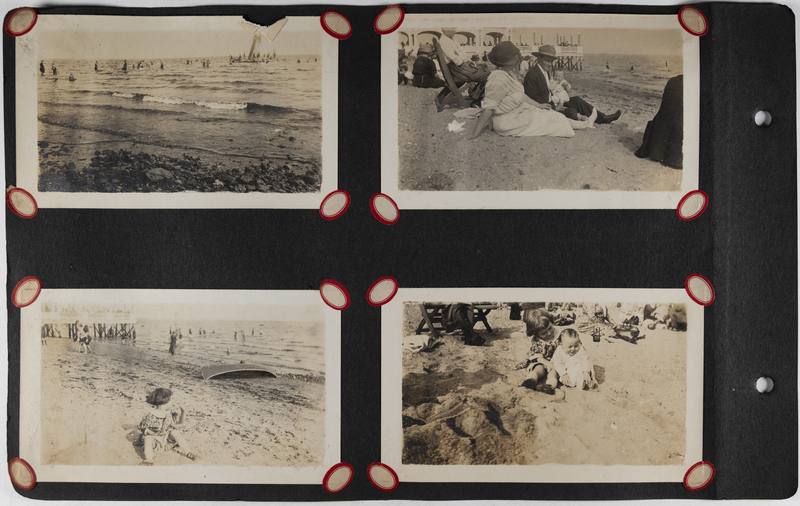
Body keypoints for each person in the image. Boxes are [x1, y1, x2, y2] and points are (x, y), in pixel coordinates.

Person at [467, 41, 595, 140]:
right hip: (508, 122)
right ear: (511, 60)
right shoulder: (498, 79)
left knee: (552, 115)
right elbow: (488, 108)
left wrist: (538, 105)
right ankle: (585, 125)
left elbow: (521, 96)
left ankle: (585, 124)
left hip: (517, 114)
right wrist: (475, 133)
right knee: (555, 119)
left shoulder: (509, 73)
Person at [523, 45, 621, 124]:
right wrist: (554, 107)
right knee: (572, 112)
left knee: (577, 100)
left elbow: (550, 91)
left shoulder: (545, 72)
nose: (550, 64)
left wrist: (559, 99)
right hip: (546, 108)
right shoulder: (532, 74)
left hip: (554, 102)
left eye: (551, 61)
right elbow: (533, 98)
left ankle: (603, 118)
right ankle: (577, 117)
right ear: (539, 58)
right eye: (547, 61)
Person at [435, 27, 491, 110]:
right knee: (488, 75)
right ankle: (477, 101)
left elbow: (461, 55)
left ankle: (475, 96)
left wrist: (461, 56)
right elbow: (457, 61)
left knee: (484, 69)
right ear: (444, 30)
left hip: (459, 68)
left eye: (454, 28)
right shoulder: (444, 42)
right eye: (451, 29)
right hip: (457, 70)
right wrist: (462, 56)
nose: (455, 31)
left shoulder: (451, 39)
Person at [137, 387, 195, 465]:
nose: (172, 402)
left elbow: (180, 422)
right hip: (155, 442)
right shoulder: (151, 415)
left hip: (166, 439)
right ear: (165, 401)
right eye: (171, 400)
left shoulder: (169, 413)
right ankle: (149, 459)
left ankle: (188, 452)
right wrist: (151, 434)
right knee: (147, 438)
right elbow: (143, 428)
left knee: (175, 432)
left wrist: (183, 412)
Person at [635, 75, 683, 168]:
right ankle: (672, 158)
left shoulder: (674, 80)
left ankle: (656, 152)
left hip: (675, 84)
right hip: (681, 85)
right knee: (678, 117)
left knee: (666, 115)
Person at [518, 309, 561, 394]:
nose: (549, 333)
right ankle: (531, 379)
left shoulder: (561, 333)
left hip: (558, 361)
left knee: (554, 372)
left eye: (550, 328)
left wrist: (555, 366)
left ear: (551, 322)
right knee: (539, 368)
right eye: (544, 333)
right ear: (536, 333)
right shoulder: (537, 340)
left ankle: (549, 386)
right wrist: (550, 364)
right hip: (542, 361)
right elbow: (538, 357)